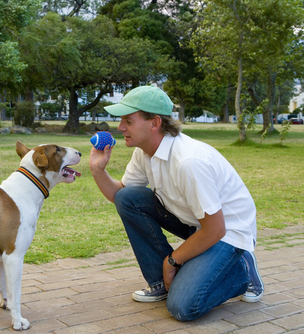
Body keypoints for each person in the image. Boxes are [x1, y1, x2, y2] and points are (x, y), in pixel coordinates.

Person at [89, 85, 264, 321]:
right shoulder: (144, 152)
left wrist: (172, 260)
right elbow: (119, 195)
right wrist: (97, 170)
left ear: (154, 123)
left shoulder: (189, 162)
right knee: (128, 198)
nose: (120, 127)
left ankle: (241, 271)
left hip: (226, 233)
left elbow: (216, 229)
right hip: (195, 222)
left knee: (183, 307)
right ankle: (163, 283)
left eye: (128, 121)